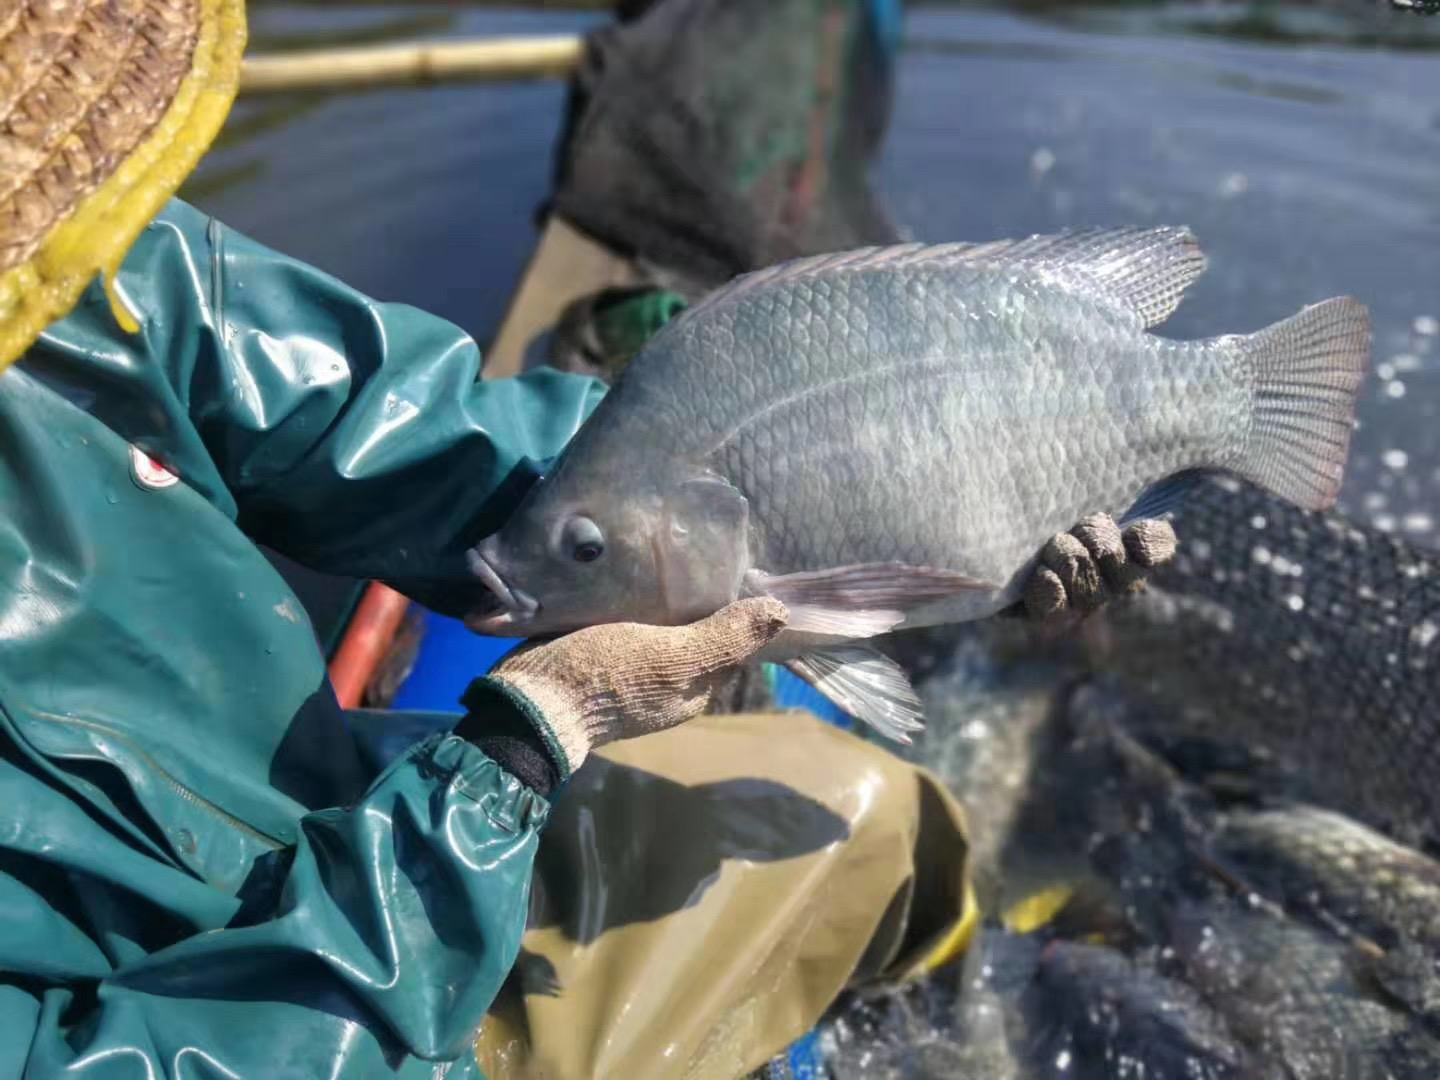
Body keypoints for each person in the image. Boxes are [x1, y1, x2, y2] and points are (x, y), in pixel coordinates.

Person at [0, 6, 1175, 1077]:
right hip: (351, 1003)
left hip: (357, 825)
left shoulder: (64, 246)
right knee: (861, 815)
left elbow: (370, 414)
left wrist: (889, 509)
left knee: (875, 811)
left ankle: (965, 997)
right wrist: (515, 758)